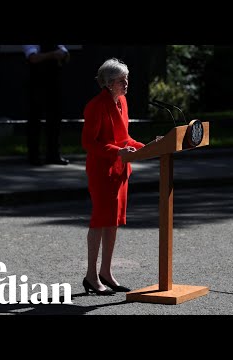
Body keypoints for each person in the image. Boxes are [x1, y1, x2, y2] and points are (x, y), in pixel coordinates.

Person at [81, 58, 145, 295]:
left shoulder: (122, 102)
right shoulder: (95, 105)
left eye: (127, 79)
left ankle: (105, 272)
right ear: (108, 83)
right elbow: (89, 142)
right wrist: (118, 151)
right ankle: (91, 275)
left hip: (119, 170)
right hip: (102, 170)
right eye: (121, 80)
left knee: (113, 221)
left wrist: (147, 147)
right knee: (100, 220)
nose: (126, 84)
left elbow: (124, 137)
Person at [22, 44, 70, 166]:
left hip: (54, 84)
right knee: (34, 121)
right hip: (36, 84)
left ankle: (54, 154)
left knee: (55, 121)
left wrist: (63, 55)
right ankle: (34, 156)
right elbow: (33, 58)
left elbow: (65, 53)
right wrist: (54, 55)